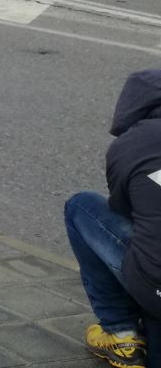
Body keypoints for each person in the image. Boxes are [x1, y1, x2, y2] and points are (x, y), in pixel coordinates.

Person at [66, 68, 161, 368]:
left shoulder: (131, 144)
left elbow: (125, 212)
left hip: (155, 286)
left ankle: (121, 332)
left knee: (81, 206)